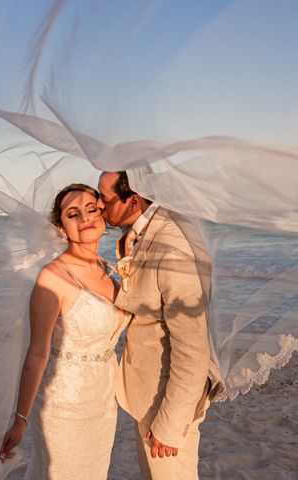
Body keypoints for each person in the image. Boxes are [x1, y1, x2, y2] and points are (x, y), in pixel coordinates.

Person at [98, 171, 225, 479]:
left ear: (133, 201)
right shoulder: (145, 229)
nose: (99, 205)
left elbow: (193, 349)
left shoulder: (172, 249)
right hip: (147, 390)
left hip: (167, 401)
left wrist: (170, 423)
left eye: (104, 198)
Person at [0, 183, 128, 479]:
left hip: (105, 404)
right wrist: (21, 420)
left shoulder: (109, 268)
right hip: (65, 407)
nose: (85, 218)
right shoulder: (53, 277)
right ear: (61, 228)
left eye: (91, 209)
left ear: (103, 215)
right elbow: (37, 352)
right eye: (73, 214)